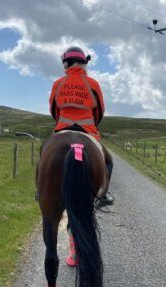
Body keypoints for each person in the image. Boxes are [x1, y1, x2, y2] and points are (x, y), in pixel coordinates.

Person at [49, 46, 114, 206]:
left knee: (44, 152)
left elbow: (53, 109)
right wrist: (92, 124)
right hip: (88, 131)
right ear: (84, 63)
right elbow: (100, 111)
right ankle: (103, 194)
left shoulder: (58, 83)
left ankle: (41, 189)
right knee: (109, 161)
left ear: (66, 64)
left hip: (62, 129)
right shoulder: (92, 84)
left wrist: (63, 122)